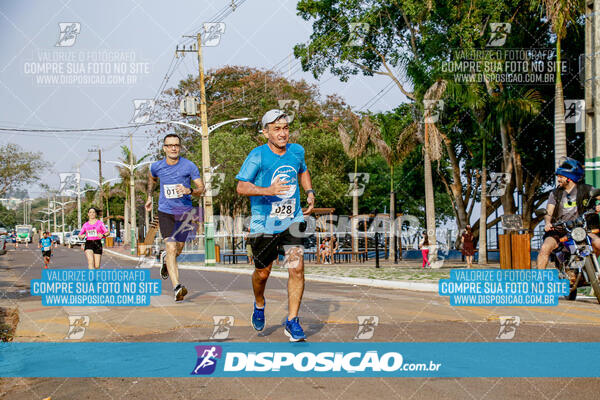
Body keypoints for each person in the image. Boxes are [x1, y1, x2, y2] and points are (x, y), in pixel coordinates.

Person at [236, 109, 315, 342]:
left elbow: (303, 170)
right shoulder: (257, 156)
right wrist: (268, 191)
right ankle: (259, 303)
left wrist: (309, 191)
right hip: (264, 223)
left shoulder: (297, 151)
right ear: (266, 132)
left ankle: (292, 321)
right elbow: (241, 187)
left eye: (286, 128)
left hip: (292, 220)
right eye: (277, 129)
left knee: (296, 267)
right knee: (262, 273)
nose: (283, 133)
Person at [145, 133, 205, 302]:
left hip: (185, 212)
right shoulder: (157, 166)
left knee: (178, 249)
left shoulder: (189, 166)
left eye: (176, 145)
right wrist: (150, 196)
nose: (173, 148)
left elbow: (202, 188)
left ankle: (165, 259)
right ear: (164, 148)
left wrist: (190, 191)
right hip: (165, 211)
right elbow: (152, 177)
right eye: (170, 145)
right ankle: (177, 286)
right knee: (171, 247)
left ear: (180, 147)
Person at [537, 158, 600, 268]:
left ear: (570, 178)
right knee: (544, 248)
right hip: (560, 230)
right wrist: (548, 222)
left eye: (561, 177)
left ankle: (591, 269)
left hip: (582, 229)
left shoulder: (586, 189)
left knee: (598, 243)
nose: (558, 179)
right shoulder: (555, 193)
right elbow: (549, 212)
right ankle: (537, 282)